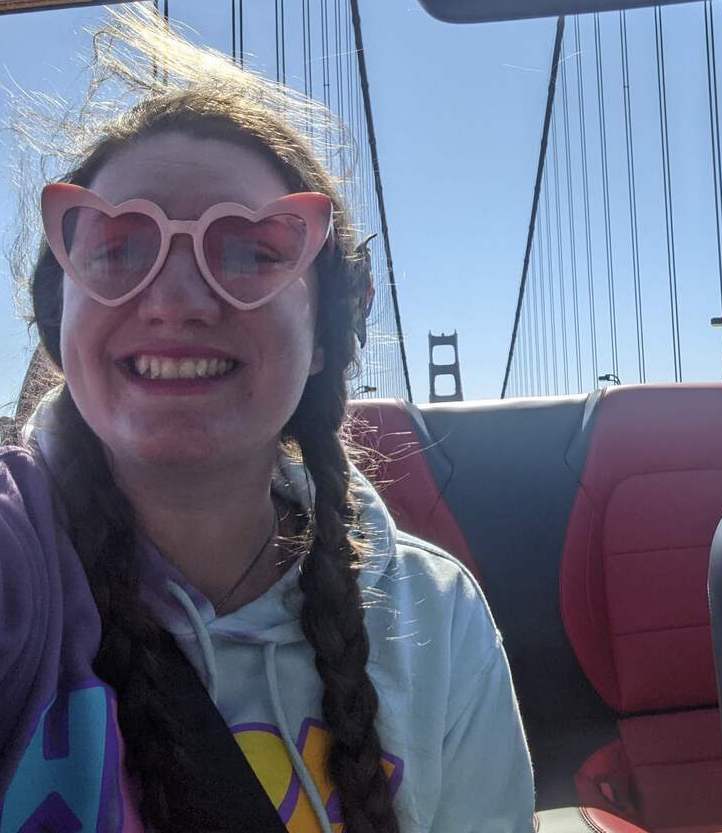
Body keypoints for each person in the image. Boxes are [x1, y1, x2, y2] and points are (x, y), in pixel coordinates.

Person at [0, 9, 533, 833]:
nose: (175, 301)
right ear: (57, 316)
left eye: (250, 248)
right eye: (118, 246)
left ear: (323, 333)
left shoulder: (435, 617)